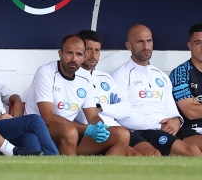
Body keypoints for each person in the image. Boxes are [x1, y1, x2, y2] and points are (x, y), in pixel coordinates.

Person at [25, 34, 130, 155]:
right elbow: (47, 118)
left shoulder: (85, 78)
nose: (74, 59)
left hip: (71, 133)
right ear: (60, 54)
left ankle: (102, 173)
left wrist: (100, 126)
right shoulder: (46, 72)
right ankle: (70, 172)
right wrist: (88, 129)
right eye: (69, 53)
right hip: (41, 132)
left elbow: (93, 116)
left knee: (122, 134)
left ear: (84, 56)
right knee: (70, 131)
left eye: (79, 54)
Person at [111, 24, 201, 156]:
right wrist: (159, 124)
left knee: (192, 151)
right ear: (129, 46)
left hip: (159, 131)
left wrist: (177, 120)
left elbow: (172, 111)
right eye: (140, 42)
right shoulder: (120, 75)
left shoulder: (161, 76)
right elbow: (120, 116)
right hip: (136, 131)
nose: (146, 46)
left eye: (149, 41)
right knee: (156, 155)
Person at [76, 30, 160, 156]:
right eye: (89, 49)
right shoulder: (73, 78)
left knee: (153, 154)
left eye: (97, 50)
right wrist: (111, 108)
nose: (93, 55)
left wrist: (99, 107)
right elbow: (82, 115)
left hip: (117, 127)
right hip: (94, 131)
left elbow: (125, 110)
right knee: (134, 156)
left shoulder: (105, 78)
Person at [169, 23, 202, 152]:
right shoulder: (180, 73)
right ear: (190, 46)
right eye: (198, 43)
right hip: (191, 131)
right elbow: (191, 112)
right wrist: (194, 106)